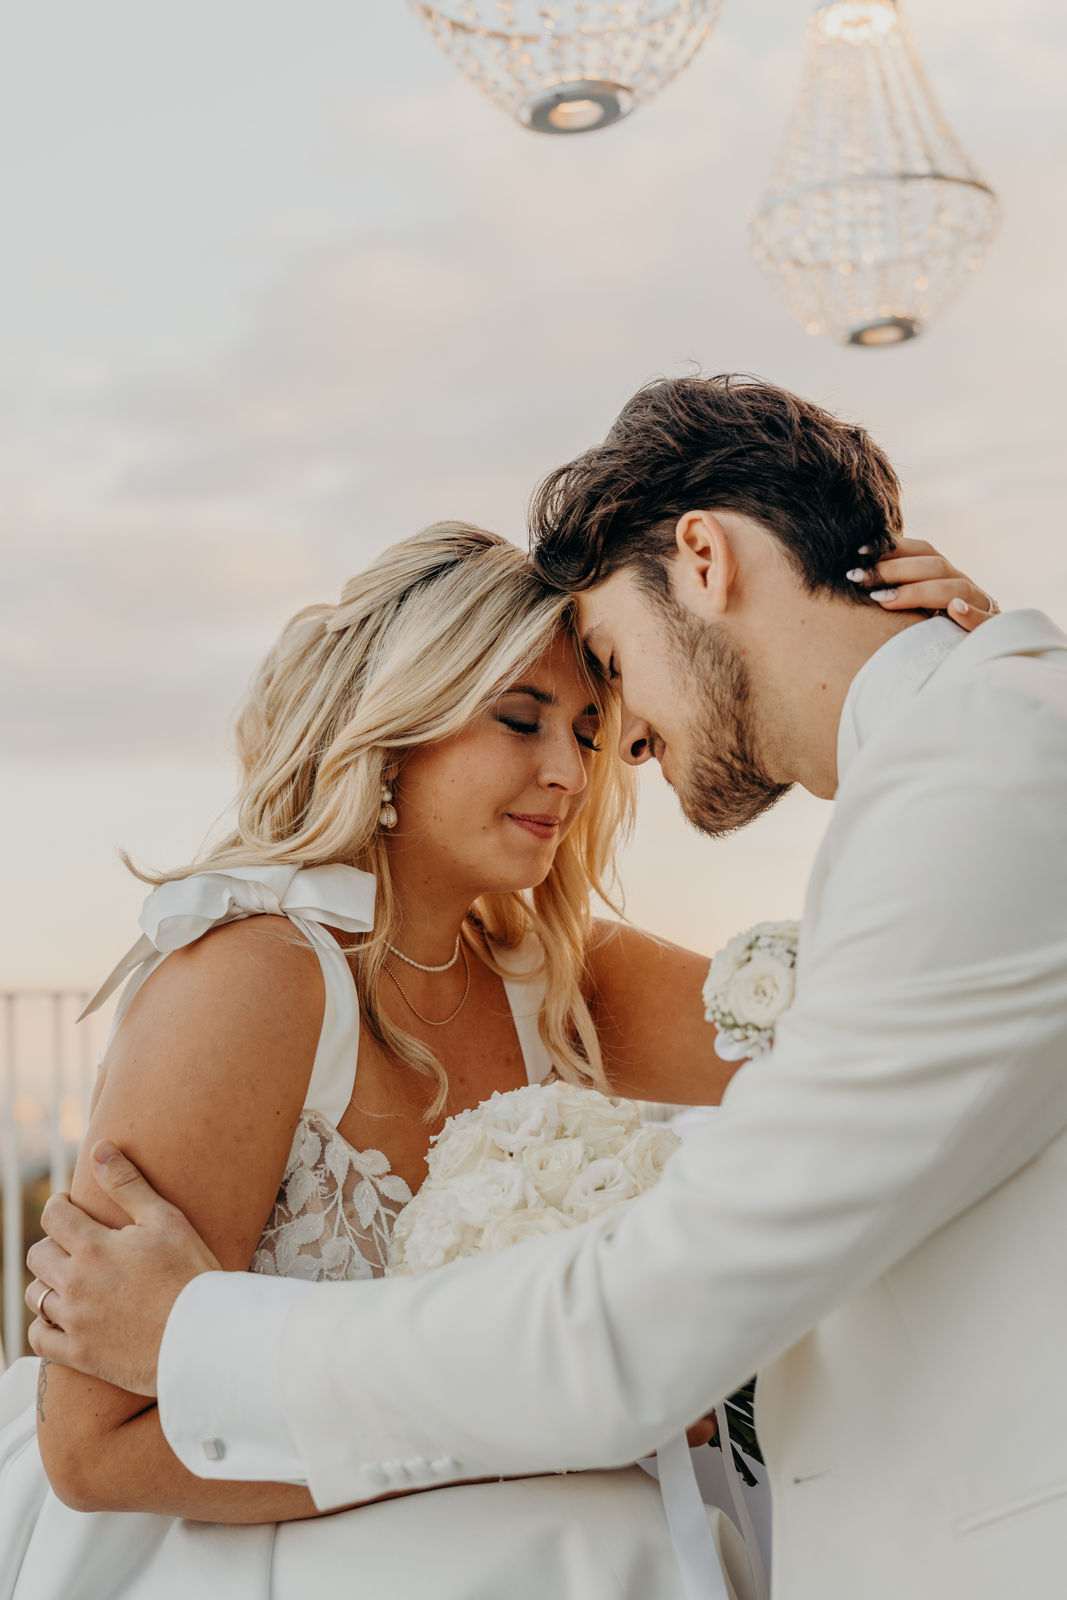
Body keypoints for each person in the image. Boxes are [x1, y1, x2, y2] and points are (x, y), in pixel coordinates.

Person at [17, 382, 1022, 1599]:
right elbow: (90, 1442)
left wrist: (930, 685)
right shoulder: (252, 976)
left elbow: (857, 1072)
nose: (576, 769)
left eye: (596, 727)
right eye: (520, 717)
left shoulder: (581, 979)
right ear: (394, 730)